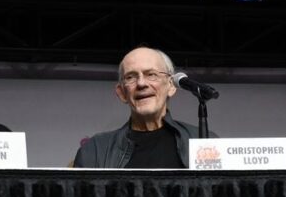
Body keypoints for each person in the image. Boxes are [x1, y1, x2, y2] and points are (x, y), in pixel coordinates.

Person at [74, 47, 205, 168]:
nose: (141, 83)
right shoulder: (95, 151)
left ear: (171, 86)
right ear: (121, 93)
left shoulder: (204, 143)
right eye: (131, 77)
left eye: (151, 74)